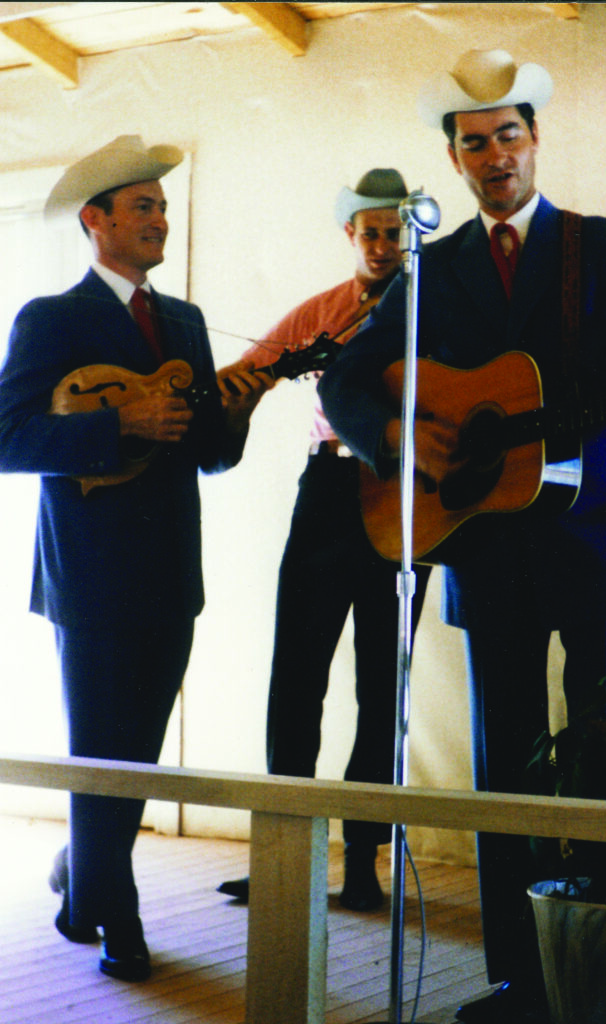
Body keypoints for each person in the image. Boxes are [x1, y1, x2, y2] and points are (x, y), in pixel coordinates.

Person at [318, 49, 606, 1024]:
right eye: (474, 143)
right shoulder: (433, 269)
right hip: (484, 547)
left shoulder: (598, 247)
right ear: (457, 160)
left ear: (535, 140)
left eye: (507, 135)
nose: (494, 156)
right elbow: (348, 379)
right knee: (502, 768)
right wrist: (404, 438)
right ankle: (518, 980)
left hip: (600, 543)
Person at [0, 136, 267, 982]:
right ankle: (119, 917)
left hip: (169, 571)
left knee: (137, 751)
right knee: (99, 749)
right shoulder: (51, 317)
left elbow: (208, 455)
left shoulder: (184, 320)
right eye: (143, 205)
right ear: (96, 220)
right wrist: (118, 425)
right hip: (88, 572)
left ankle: (83, 881)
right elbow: (9, 438)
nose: (159, 217)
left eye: (161, 205)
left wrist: (241, 408)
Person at [217, 170, 432, 911]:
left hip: (406, 495)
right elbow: (248, 371)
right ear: (351, 236)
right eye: (369, 231)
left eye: (394, 230)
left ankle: (363, 864)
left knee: (382, 684)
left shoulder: (433, 307)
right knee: (296, 673)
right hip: (330, 487)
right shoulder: (323, 311)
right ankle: (283, 855)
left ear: (412, 233)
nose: (382, 243)